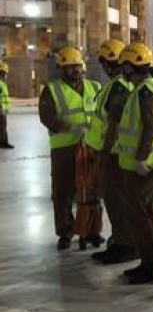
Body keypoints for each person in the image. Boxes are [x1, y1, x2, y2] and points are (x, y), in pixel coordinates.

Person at [117, 43, 153, 284]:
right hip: (143, 163)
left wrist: (140, 158)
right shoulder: (146, 88)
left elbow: (150, 127)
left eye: (124, 66)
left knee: (139, 215)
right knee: (146, 213)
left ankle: (149, 264)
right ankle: (149, 261)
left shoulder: (145, 91)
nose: (123, 70)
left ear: (130, 66)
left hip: (142, 165)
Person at [38, 47, 99, 250]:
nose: (75, 70)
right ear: (61, 69)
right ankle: (65, 232)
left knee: (90, 191)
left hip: (90, 146)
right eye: (70, 67)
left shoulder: (94, 87)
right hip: (64, 148)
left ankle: (91, 230)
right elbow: (46, 117)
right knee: (62, 192)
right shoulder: (52, 90)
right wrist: (70, 127)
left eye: (77, 67)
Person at [85, 40, 138, 264]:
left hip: (114, 155)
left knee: (117, 202)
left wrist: (104, 154)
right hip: (112, 153)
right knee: (116, 202)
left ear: (108, 63)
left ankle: (126, 246)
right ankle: (120, 241)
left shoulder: (118, 87)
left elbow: (114, 126)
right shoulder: (117, 85)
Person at [0, 61, 13, 148]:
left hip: (2, 110)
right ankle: (4, 143)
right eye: (5, 73)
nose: (6, 75)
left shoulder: (2, 83)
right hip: (0, 110)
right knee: (2, 127)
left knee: (2, 127)